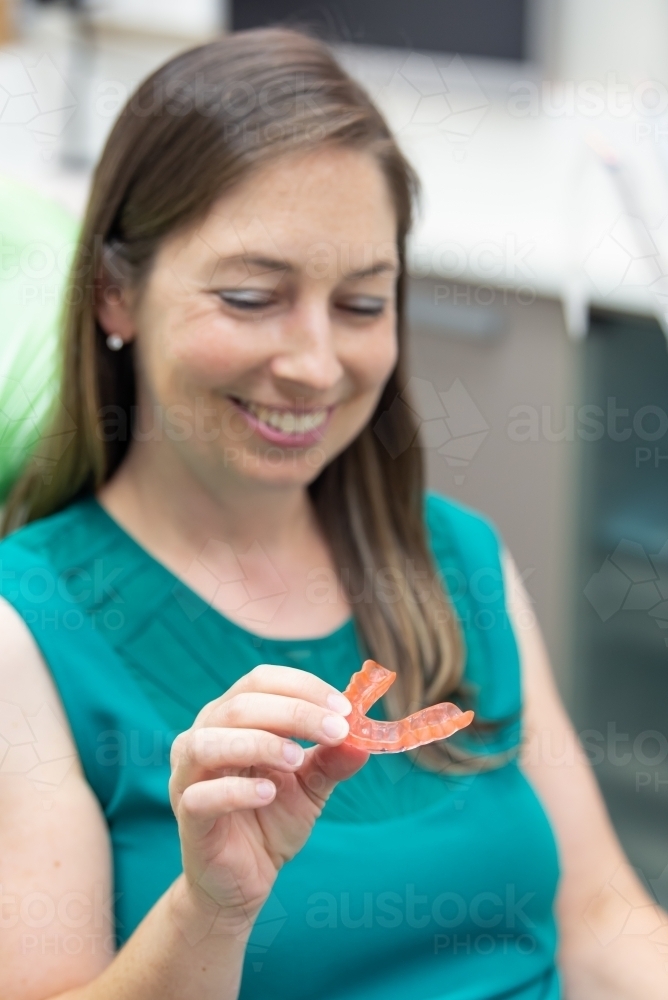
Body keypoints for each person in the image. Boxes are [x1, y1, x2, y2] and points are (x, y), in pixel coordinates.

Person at [0, 26, 665, 1000]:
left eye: (360, 305)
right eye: (251, 296)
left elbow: (602, 921)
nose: (315, 364)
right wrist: (208, 908)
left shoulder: (457, 561)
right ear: (115, 294)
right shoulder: (28, 632)